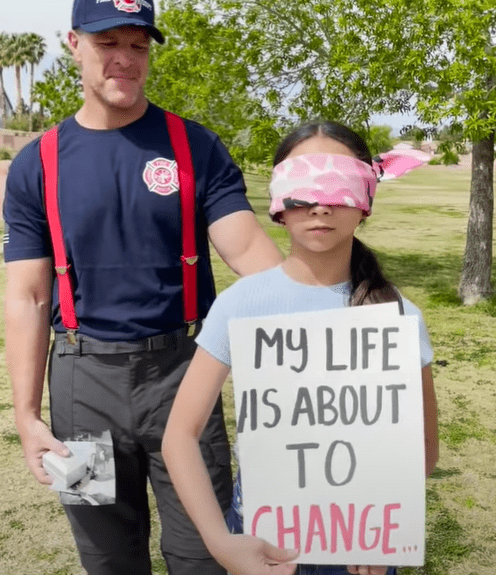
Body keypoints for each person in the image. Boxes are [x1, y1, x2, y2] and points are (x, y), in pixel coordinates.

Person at [3, 0, 283, 574]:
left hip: (184, 377)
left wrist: (330, 316)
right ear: (75, 44)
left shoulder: (194, 147)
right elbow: (29, 298)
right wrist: (26, 415)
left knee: (204, 551)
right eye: (109, 44)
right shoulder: (37, 164)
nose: (125, 60)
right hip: (80, 386)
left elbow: (248, 250)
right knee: (106, 558)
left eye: (138, 46)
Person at [162, 120, 439, 575]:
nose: (319, 207)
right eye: (302, 187)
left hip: (362, 552)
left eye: (339, 186)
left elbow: (422, 452)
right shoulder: (241, 304)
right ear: (278, 202)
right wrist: (220, 542)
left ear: (366, 198)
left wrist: (379, 531)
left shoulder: (399, 316)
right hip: (260, 544)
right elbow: (179, 436)